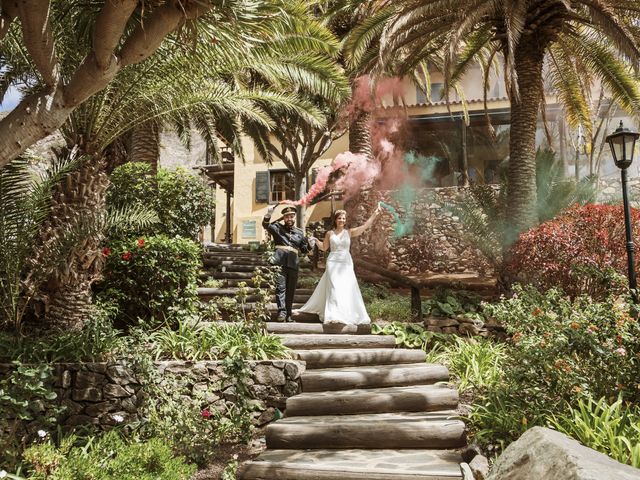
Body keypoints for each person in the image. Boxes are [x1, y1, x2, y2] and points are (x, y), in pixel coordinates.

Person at [296, 205, 382, 325]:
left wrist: (375, 214)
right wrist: (316, 241)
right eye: (339, 218)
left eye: (343, 218)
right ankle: (333, 315)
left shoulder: (349, 232)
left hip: (346, 262)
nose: (342, 220)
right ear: (335, 220)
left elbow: (364, 227)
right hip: (332, 262)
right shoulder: (329, 233)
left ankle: (345, 313)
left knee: (346, 287)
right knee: (334, 287)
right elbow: (324, 248)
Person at [262, 204, 314, 322]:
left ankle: (289, 314)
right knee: (280, 288)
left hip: (293, 263)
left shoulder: (300, 233)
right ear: (284, 218)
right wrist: (268, 214)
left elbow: (304, 250)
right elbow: (265, 225)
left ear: (294, 217)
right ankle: (281, 313)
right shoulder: (277, 228)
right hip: (279, 261)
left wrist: (310, 246)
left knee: (291, 289)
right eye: (287, 217)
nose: (289, 219)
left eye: (291, 216)